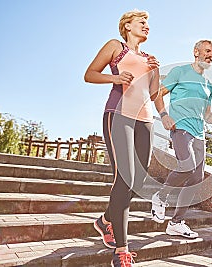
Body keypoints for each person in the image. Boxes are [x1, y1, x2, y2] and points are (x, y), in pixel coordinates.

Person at [84, 10, 159, 267]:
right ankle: (121, 251)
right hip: (119, 115)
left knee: (137, 180)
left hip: (145, 119)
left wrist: (155, 71)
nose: (147, 27)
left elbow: (152, 92)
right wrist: (114, 78)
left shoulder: (148, 57)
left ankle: (105, 220)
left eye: (148, 23)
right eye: (142, 22)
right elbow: (89, 73)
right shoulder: (116, 47)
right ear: (127, 26)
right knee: (124, 177)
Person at [151, 40, 212, 238]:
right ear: (196, 52)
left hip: (199, 134)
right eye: (207, 51)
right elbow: (158, 94)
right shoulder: (180, 72)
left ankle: (176, 223)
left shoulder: (209, 85)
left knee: (196, 178)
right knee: (187, 166)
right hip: (180, 127)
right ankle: (160, 197)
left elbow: (207, 114)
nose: (211, 55)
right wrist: (164, 115)